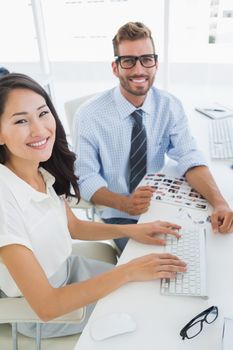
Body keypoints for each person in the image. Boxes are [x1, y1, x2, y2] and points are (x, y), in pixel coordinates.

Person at [0, 73, 187, 339]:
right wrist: (128, 270)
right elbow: (47, 305)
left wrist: (133, 231)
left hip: (70, 269)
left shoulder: (38, 170)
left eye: (43, 113)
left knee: (154, 287)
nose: (39, 129)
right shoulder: (4, 200)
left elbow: (73, 226)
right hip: (45, 310)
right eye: (21, 120)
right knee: (147, 312)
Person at [74, 21, 233, 252]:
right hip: (118, 214)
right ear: (115, 67)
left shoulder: (169, 106)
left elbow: (189, 157)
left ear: (156, 64)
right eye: (128, 61)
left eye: (146, 59)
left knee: (203, 249)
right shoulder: (89, 115)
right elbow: (85, 178)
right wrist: (125, 204)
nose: (139, 70)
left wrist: (220, 202)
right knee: (155, 265)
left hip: (161, 203)